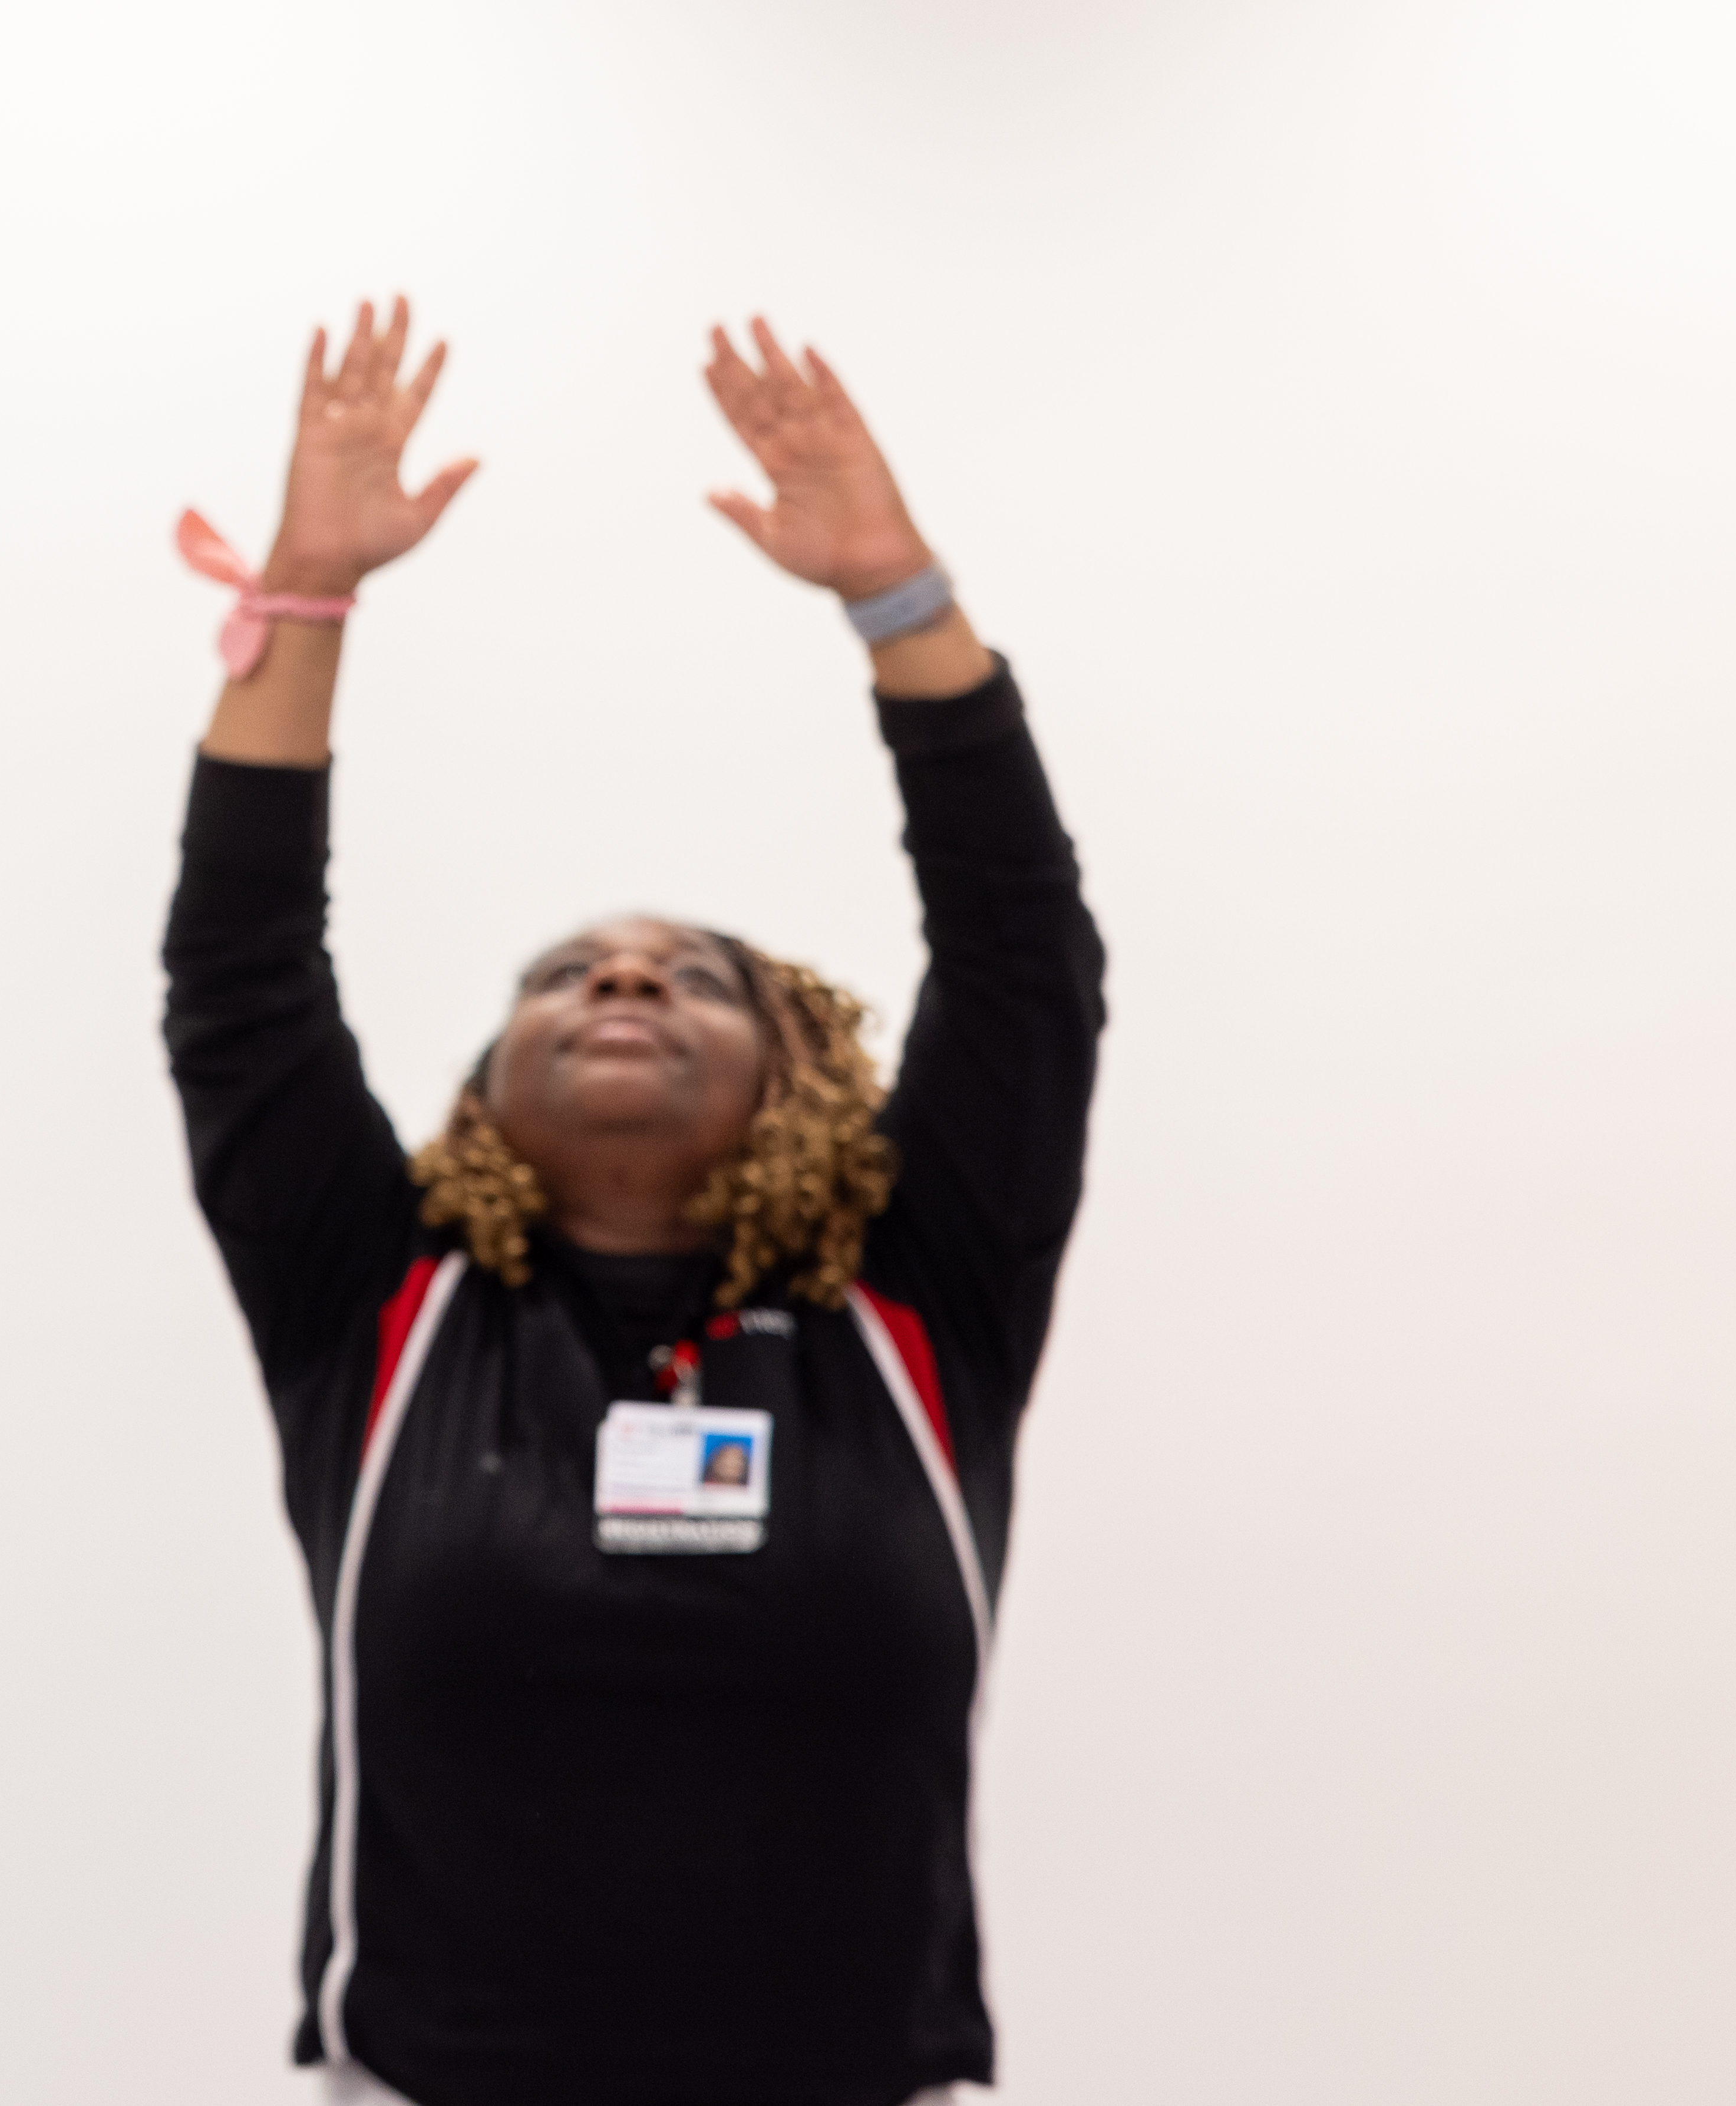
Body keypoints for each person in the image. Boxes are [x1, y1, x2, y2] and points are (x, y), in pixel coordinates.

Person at [162, 301, 1104, 2106]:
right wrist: (303, 601)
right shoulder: (378, 1305)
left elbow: (1021, 962)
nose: (619, 985)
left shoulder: (918, 1300)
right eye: (566, 973)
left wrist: (898, 600)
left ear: (795, 1075)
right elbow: (239, 981)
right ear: (487, 1091)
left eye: (689, 976)